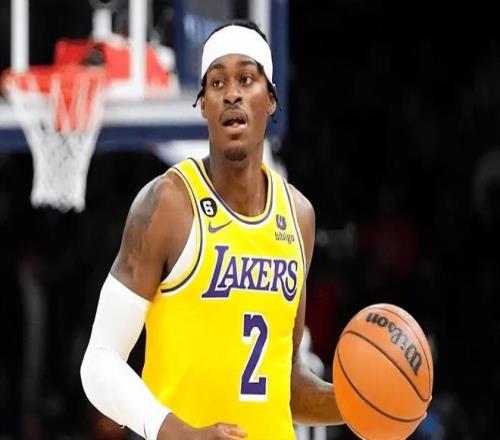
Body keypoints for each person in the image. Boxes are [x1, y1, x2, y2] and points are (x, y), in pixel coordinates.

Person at [81, 20, 344, 439]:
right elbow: (99, 363)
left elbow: (285, 383)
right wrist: (182, 433)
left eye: (246, 79)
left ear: (270, 99)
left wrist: (362, 403)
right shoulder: (167, 205)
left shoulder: (298, 216)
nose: (232, 93)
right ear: (203, 104)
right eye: (217, 83)